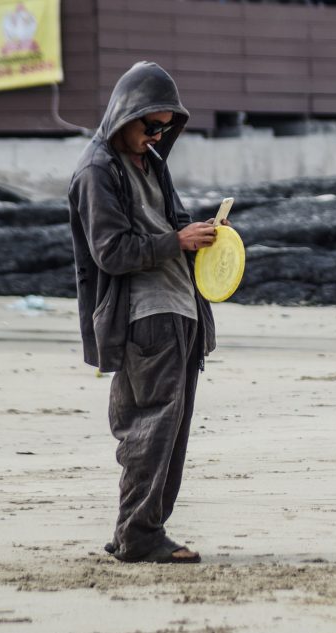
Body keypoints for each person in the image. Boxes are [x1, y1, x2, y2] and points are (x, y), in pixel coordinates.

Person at [68, 61, 223, 564]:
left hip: (181, 309)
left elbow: (171, 226)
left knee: (168, 426)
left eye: (164, 127)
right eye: (148, 125)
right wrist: (177, 240)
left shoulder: (150, 162)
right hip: (143, 315)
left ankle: (136, 528)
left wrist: (201, 236)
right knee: (151, 425)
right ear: (122, 115)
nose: (156, 135)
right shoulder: (97, 170)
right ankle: (140, 534)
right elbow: (110, 251)